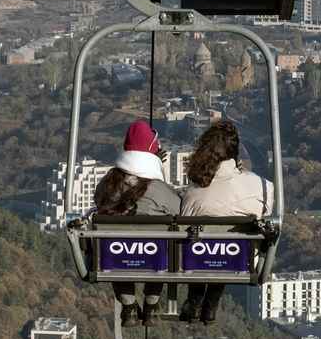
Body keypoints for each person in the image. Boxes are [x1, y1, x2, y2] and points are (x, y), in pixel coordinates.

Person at [179, 120, 272, 324]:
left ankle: (195, 300)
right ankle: (211, 303)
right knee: (225, 250)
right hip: (240, 259)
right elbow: (267, 213)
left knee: (204, 248)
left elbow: (184, 221)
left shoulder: (194, 192)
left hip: (195, 258)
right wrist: (243, 175)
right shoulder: (262, 186)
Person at [93, 120, 182, 325]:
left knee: (119, 251)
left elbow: (99, 200)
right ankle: (152, 304)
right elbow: (177, 209)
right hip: (153, 255)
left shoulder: (109, 184)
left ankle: (128, 305)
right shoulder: (157, 189)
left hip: (116, 255)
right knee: (157, 247)